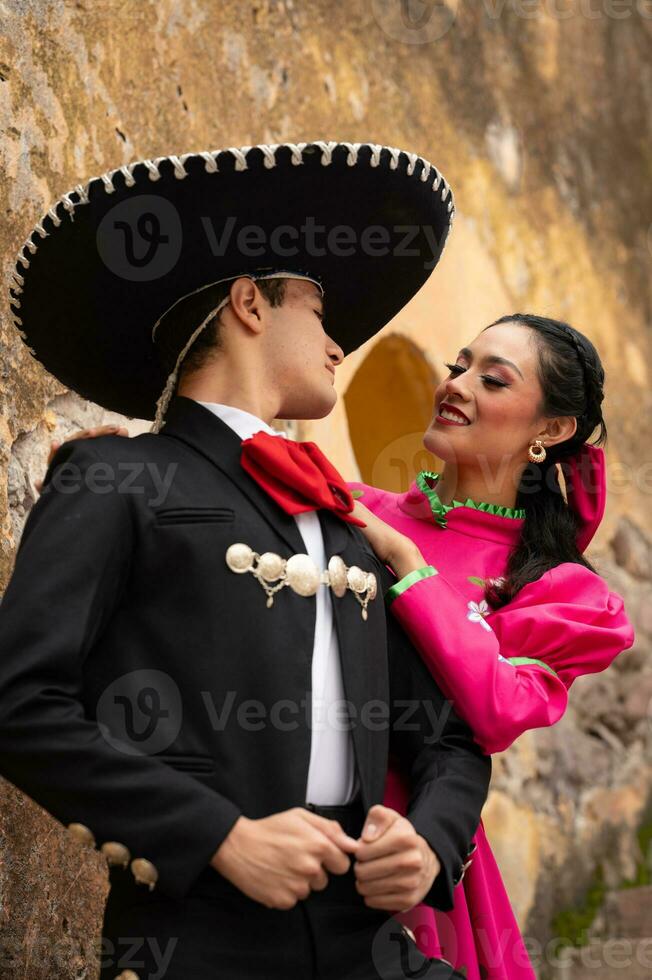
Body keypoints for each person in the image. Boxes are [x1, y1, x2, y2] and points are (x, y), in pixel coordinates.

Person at [0, 140, 491, 980]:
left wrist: (430, 842)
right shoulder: (116, 478)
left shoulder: (346, 527)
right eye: (318, 308)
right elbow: (19, 701)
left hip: (367, 941)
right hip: (197, 939)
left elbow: (449, 739)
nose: (340, 347)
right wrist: (216, 835)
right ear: (249, 304)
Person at [346, 313, 636, 978]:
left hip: (418, 859)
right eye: (459, 365)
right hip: (289, 819)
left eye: (493, 379)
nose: (458, 385)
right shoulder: (354, 508)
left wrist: (406, 565)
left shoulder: (562, 592)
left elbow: (498, 708)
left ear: (551, 431)